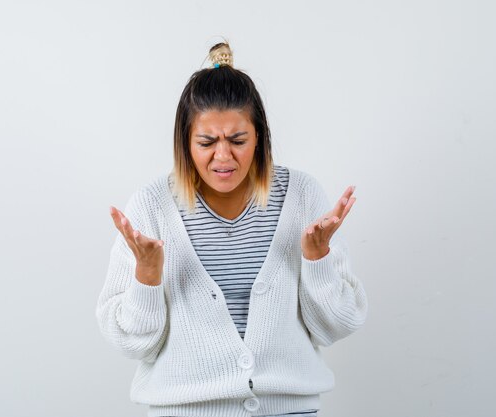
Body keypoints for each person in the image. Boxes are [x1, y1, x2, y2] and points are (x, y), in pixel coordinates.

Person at [96, 42, 368, 417]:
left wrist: (317, 259)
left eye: (238, 141)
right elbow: (133, 344)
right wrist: (146, 277)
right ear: (185, 143)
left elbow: (335, 327)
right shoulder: (151, 206)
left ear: (259, 137)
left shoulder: (302, 196)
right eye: (206, 142)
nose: (223, 157)